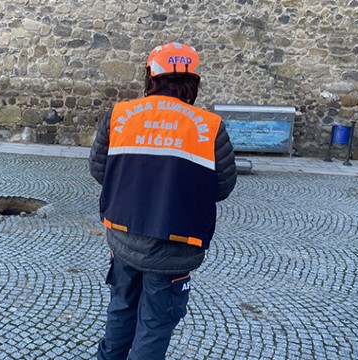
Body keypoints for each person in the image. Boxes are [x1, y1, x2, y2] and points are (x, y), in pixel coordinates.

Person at [90, 42, 237, 360]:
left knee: (120, 311)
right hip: (176, 245)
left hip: (125, 236)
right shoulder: (210, 128)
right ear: (193, 82)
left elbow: (100, 170)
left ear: (150, 75)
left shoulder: (119, 116)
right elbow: (222, 186)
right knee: (155, 327)